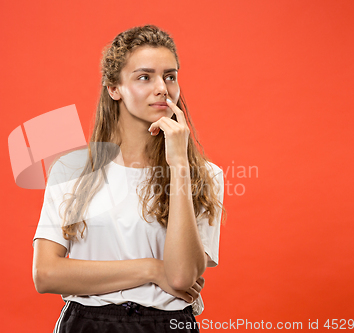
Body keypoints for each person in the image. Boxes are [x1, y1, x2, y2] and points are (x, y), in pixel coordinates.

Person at [32, 25, 226, 333]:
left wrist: (178, 165)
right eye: (145, 77)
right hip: (87, 323)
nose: (162, 87)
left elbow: (180, 277)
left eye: (170, 76)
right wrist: (149, 269)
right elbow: (46, 274)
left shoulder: (204, 174)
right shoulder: (72, 168)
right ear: (114, 88)